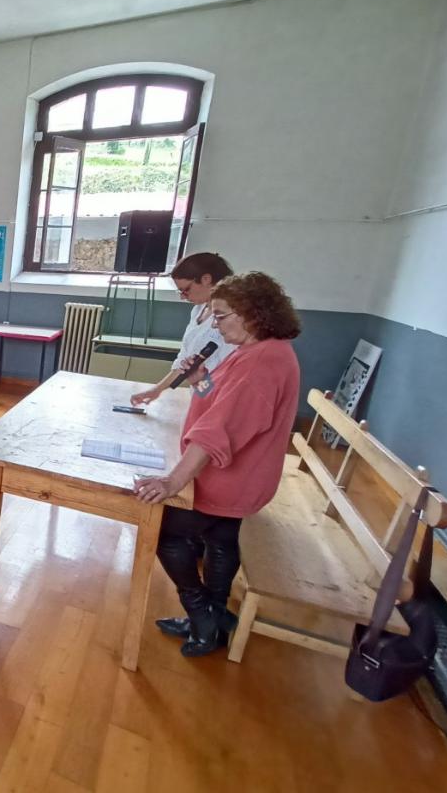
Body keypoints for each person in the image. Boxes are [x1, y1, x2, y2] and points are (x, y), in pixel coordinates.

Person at [134, 272, 302, 657]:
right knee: (221, 538)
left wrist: (173, 481)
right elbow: (224, 402)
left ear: (252, 314)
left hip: (231, 477)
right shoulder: (263, 352)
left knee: (168, 533)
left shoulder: (262, 362)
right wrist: (200, 380)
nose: (214, 322)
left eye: (222, 314)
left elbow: (218, 430)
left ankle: (202, 613)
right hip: (246, 475)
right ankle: (212, 621)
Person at [132, 253, 238, 407]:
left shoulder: (230, 321)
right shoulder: (198, 310)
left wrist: (201, 385)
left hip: (217, 399)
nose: (183, 297)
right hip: (202, 394)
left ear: (206, 279)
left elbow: (223, 375)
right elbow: (184, 359)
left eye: (186, 290)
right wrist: (157, 390)